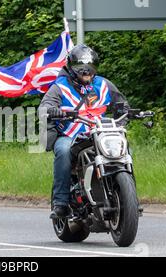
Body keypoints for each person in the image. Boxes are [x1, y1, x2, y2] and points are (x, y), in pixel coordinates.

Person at [39, 44, 130, 218]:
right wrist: (54, 111)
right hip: (70, 135)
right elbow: (44, 107)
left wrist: (128, 115)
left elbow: (122, 105)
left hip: (100, 133)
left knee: (123, 147)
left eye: (90, 67)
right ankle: (61, 203)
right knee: (63, 151)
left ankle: (127, 193)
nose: (86, 72)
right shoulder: (60, 87)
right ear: (71, 68)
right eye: (81, 68)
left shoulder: (103, 85)